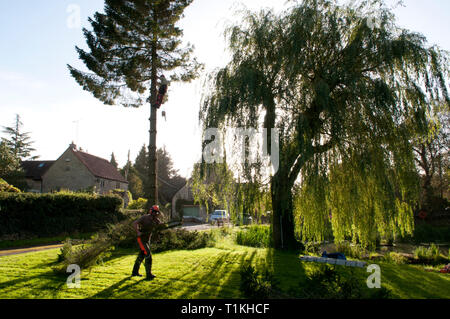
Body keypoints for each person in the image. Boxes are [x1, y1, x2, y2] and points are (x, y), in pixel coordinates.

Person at [131, 205, 165, 280]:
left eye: (157, 213)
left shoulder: (156, 220)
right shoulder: (145, 217)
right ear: (151, 211)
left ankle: (134, 272)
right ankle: (148, 274)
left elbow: (160, 226)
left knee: (141, 255)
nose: (156, 214)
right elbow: (134, 223)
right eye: (155, 212)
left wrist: (163, 225)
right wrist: (138, 232)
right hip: (141, 240)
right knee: (148, 254)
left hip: (147, 240)